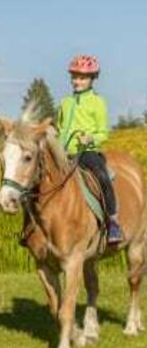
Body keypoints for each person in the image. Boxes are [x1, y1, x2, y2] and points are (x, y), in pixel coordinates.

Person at [57, 54, 123, 244]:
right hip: (64, 154)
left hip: (87, 153)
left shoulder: (98, 102)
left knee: (102, 176)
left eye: (83, 77)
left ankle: (113, 221)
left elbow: (104, 132)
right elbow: (61, 128)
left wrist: (91, 138)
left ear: (92, 79)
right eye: (75, 77)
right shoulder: (64, 103)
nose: (77, 81)